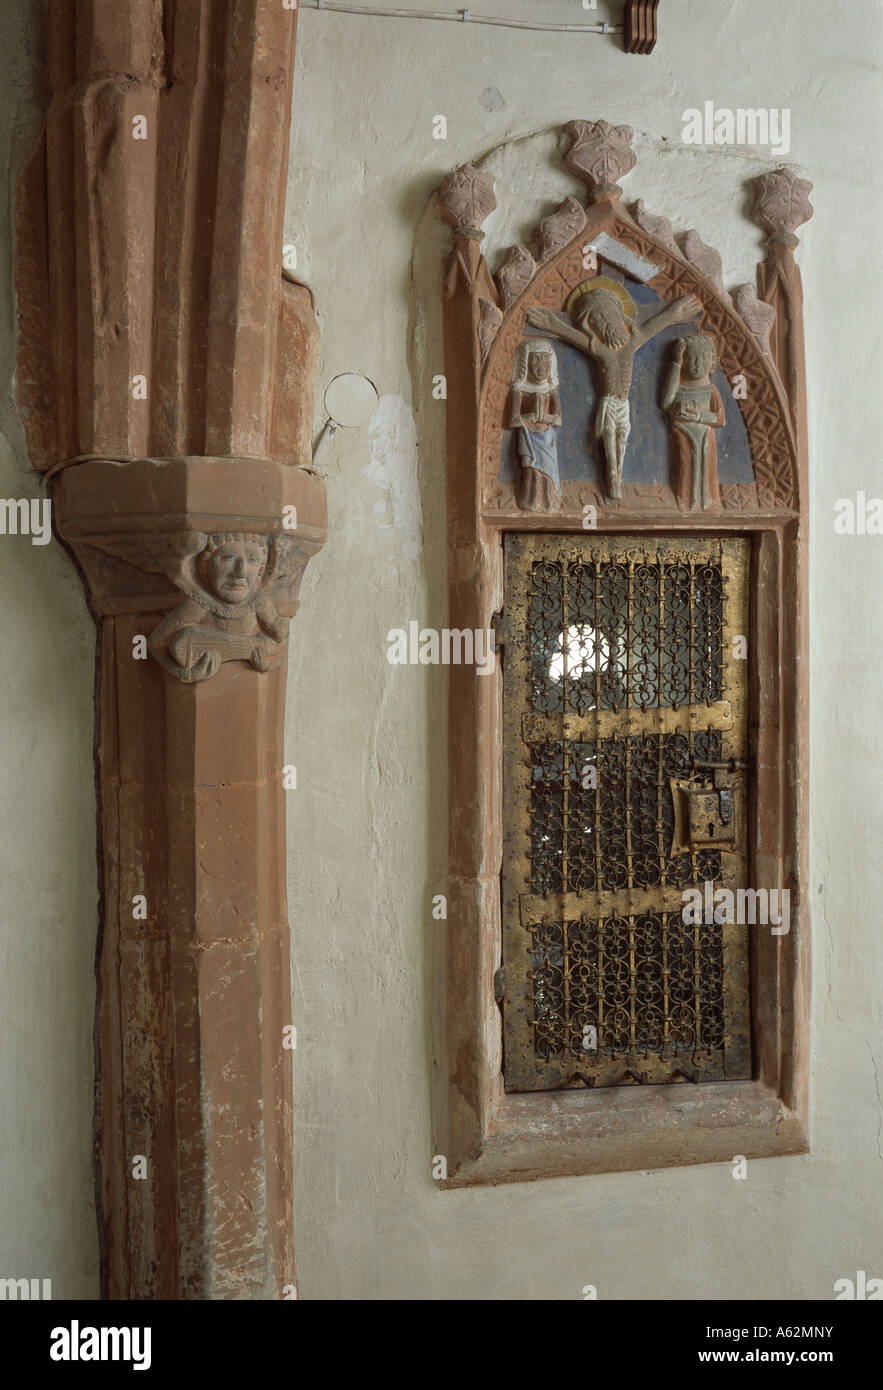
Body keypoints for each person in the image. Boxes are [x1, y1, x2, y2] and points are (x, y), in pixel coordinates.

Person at [527, 276, 702, 500]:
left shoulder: (631, 343)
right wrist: (553, 325)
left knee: (622, 438)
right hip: (608, 403)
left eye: (607, 313)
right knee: (609, 439)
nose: (604, 321)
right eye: (597, 318)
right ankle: (612, 480)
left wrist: (674, 315)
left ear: (619, 314)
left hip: (623, 405)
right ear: (591, 325)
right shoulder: (600, 349)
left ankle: (617, 477)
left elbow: (652, 327)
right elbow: (573, 337)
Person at [660, 334, 725, 509]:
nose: (698, 364)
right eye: (692, 358)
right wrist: (674, 364)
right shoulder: (679, 388)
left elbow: (720, 418)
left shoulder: (711, 390)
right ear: (683, 360)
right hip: (682, 434)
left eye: (704, 359)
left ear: (712, 362)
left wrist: (699, 417)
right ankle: (686, 499)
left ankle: (706, 500)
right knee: (686, 467)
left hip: (704, 437)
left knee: (705, 471)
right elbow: (666, 402)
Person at [509, 338, 562, 511]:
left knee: (549, 470)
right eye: (535, 361)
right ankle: (529, 502)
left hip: (546, 437)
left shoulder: (551, 391)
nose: (540, 367)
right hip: (529, 436)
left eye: (545, 361)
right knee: (531, 470)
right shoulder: (520, 391)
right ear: (526, 364)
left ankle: (550, 502)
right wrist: (531, 417)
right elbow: (513, 420)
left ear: (550, 363)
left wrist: (545, 418)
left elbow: (558, 419)